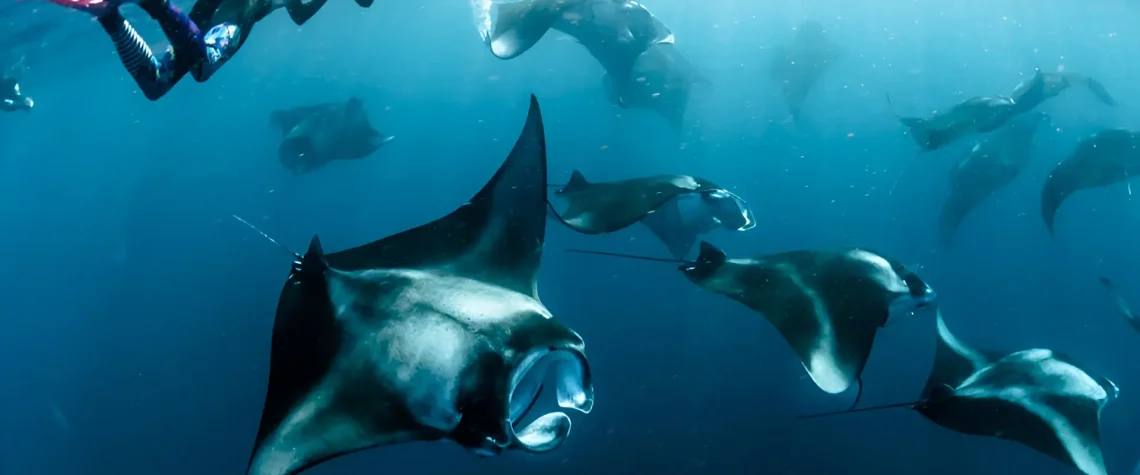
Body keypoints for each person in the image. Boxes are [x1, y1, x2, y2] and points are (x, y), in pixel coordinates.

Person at [45, 0, 348, 100]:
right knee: (202, 69)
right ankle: (155, 4)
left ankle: (109, 16)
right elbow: (299, 14)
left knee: (155, 86)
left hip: (208, 12)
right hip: (235, 15)